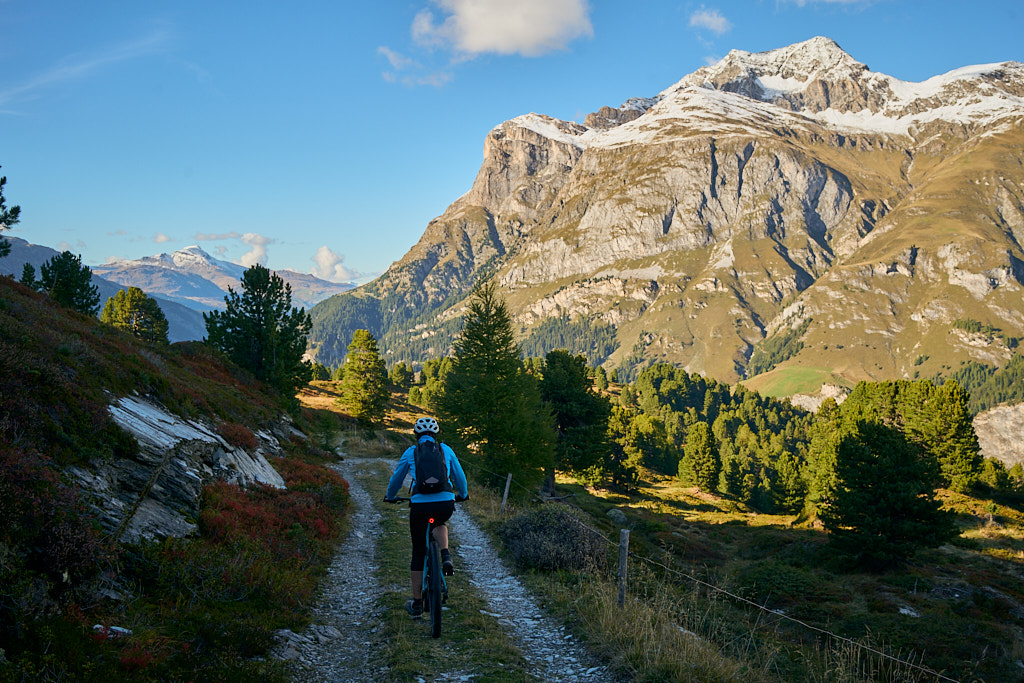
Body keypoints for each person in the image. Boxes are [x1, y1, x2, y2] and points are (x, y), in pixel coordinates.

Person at [384, 416, 469, 619]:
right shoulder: (445, 450)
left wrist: (390, 496)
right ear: (436, 434)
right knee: (440, 522)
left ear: (416, 434)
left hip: (420, 506)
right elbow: (459, 476)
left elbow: (396, 478)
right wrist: (463, 495)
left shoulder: (410, 452)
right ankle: (445, 555)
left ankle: (417, 603)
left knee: (418, 552)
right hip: (444, 503)